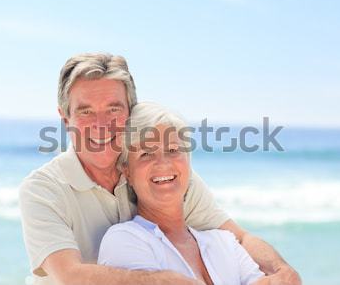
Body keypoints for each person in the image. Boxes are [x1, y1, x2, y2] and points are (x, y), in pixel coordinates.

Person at [19, 53, 301, 285]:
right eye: (86, 111)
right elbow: (70, 275)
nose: (102, 124)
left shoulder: (161, 176)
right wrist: (160, 281)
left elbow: (238, 237)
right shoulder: (43, 190)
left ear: (131, 111)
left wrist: (280, 270)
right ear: (65, 118)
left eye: (114, 109)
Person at [98, 102, 266, 285]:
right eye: (146, 153)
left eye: (173, 150)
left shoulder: (225, 242)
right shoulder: (123, 240)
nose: (163, 163)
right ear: (127, 172)